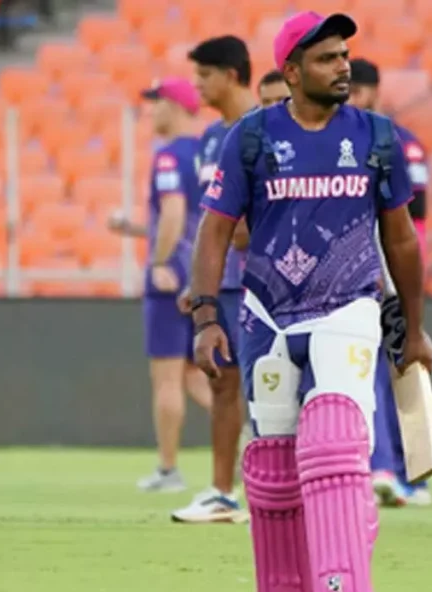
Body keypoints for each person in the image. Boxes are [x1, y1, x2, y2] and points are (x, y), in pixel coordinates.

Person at [189, 12, 432, 592]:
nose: (343, 66)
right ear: (292, 72)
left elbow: (401, 239)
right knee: (274, 467)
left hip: (347, 306)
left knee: (334, 443)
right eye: (327, 58)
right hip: (266, 315)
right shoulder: (250, 137)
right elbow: (214, 231)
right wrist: (205, 316)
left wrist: (414, 328)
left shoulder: (378, 137)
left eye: (344, 54)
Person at [107, 78, 214, 493]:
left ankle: (168, 470)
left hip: (171, 281)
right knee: (196, 376)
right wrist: (136, 230)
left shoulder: (168, 156)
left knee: (167, 377)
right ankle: (249, 438)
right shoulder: (208, 153)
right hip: (207, 275)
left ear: (176, 106)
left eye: (158, 103)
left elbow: (173, 213)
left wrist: (158, 261)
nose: (152, 111)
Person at [169, 35, 255, 524]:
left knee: (272, 389)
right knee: (222, 383)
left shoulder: (262, 130)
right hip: (221, 284)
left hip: (262, 281)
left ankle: (284, 488)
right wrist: (197, 283)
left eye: (204, 75)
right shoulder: (207, 139)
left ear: (231, 75)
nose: (197, 85)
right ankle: (223, 493)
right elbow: (209, 220)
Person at [347, 57, 432, 508]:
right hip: (361, 268)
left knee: (405, 367)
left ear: (375, 92)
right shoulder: (343, 139)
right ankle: (382, 468)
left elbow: (414, 215)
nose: (353, 99)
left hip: (396, 271)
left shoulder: (401, 143)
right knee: (372, 368)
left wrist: (402, 278)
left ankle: (413, 473)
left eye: (359, 91)